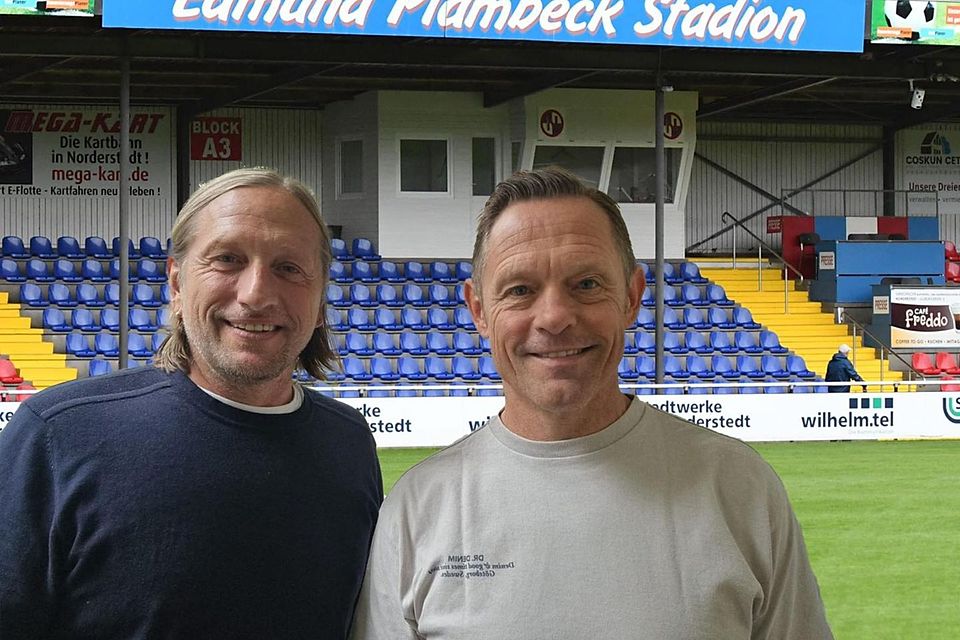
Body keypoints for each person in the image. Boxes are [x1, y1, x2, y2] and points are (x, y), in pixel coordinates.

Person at [350, 167, 833, 639]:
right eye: (520, 290)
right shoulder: (416, 510)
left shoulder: (740, 488)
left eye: (586, 284)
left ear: (631, 296)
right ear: (479, 310)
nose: (555, 317)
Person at [0, 168, 383, 639]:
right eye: (227, 259)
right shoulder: (58, 435)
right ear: (177, 285)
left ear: (321, 297)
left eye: (288, 268)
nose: (256, 293)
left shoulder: (348, 443)